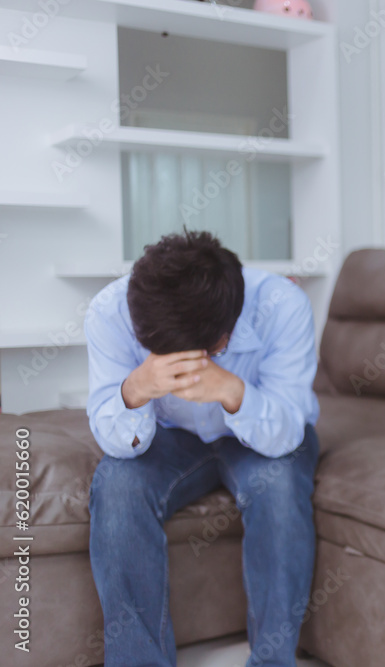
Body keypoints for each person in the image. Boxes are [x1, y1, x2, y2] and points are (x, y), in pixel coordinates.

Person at [85, 230, 320, 667]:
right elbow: (116, 439)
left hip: (262, 434)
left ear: (223, 340)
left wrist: (233, 392)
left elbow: (289, 430)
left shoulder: (282, 305)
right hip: (168, 434)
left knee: (282, 486)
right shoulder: (110, 312)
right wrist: (135, 389)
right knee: (117, 487)